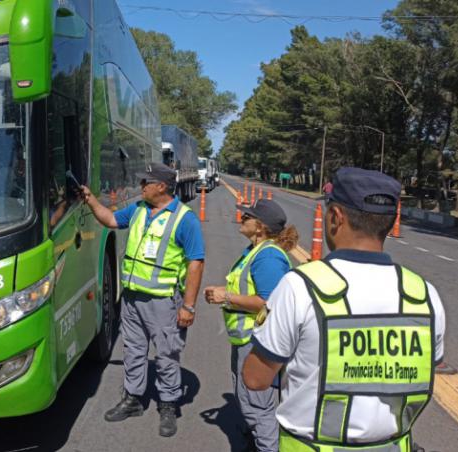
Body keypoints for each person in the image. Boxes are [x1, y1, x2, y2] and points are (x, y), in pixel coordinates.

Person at [243, 167, 445, 451]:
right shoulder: (424, 295)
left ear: (336, 217)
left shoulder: (300, 287)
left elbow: (255, 378)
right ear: (391, 221)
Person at [80, 162, 204, 438]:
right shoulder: (138, 211)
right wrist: (89, 200)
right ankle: (133, 399)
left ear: (161, 186)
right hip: (132, 297)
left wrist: (189, 306)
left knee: (166, 354)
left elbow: (196, 263)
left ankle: (168, 404)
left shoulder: (184, 219)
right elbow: (110, 220)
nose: (140, 187)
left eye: (145, 183)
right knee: (134, 350)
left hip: (162, 301)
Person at [203, 198, 297, 452]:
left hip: (257, 342)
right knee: (250, 402)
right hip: (246, 340)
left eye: (248, 217)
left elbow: (270, 302)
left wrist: (227, 297)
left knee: (258, 408)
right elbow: (251, 289)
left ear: (260, 227)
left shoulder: (267, 257)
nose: (242, 218)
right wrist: (225, 292)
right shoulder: (255, 250)